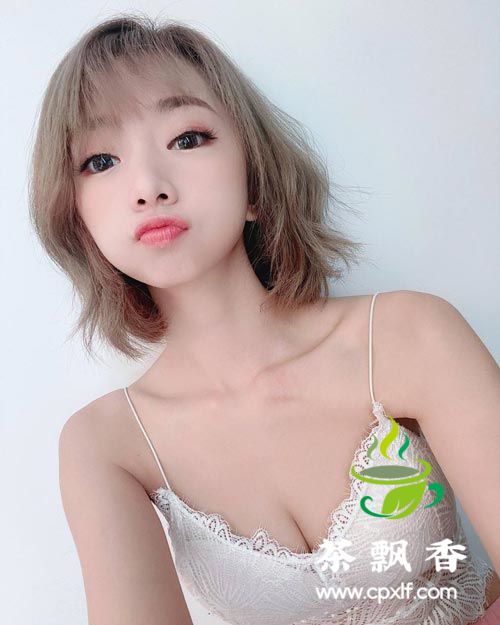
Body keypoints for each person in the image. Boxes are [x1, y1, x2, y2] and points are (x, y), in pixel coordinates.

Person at [28, 13, 500, 625]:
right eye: (100, 161)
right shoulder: (107, 444)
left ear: (255, 178)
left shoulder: (409, 335)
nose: (147, 186)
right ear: (77, 217)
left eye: (187, 139)